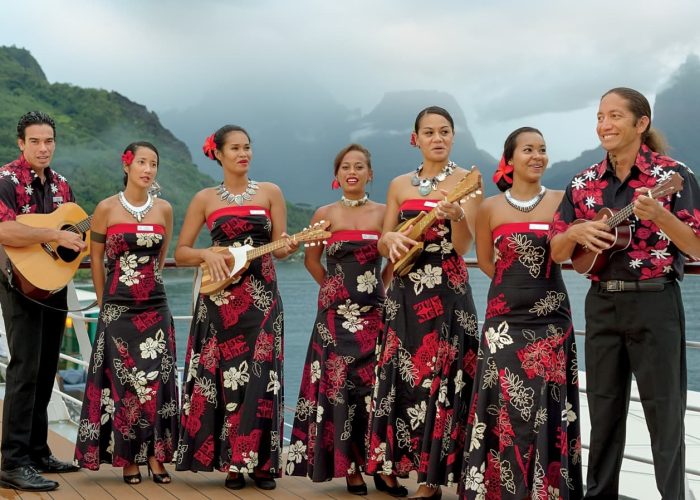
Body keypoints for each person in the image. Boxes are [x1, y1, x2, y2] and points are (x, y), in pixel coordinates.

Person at [550, 87, 700, 499]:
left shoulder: (674, 175)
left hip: (655, 301)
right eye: (600, 116)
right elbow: (559, 249)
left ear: (642, 123)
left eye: (615, 116)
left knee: (665, 415)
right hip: (601, 305)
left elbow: (697, 247)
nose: (604, 125)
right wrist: (576, 231)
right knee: (604, 414)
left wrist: (662, 217)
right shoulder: (581, 184)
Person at [366, 106, 482, 499]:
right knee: (400, 375)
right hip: (404, 289)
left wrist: (456, 217)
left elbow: (466, 245)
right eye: (429, 132)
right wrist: (390, 241)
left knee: (446, 377)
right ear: (415, 138)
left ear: (453, 137)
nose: (438, 138)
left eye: (445, 131)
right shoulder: (399, 184)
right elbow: (384, 240)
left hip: (448, 288)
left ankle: (431, 476)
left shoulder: (469, 181)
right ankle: (389, 465)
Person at [461, 127, 583, 499]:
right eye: (528, 149)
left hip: (552, 320)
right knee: (501, 404)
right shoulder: (489, 208)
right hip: (504, 323)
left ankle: (546, 492)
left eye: (542, 149)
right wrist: (515, 289)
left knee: (549, 405)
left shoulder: (564, 200)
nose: (537, 156)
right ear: (510, 159)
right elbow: (485, 262)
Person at [175, 125, 297, 491]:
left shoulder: (271, 192)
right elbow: (181, 254)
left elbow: (277, 247)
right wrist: (205, 253)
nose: (244, 153)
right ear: (219, 154)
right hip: (219, 299)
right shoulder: (204, 199)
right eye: (235, 148)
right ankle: (232, 462)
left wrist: (290, 247)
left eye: (248, 147)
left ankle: (261, 464)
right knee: (225, 378)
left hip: (262, 300)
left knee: (263, 380)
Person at [73, 142, 178, 484]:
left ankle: (155, 455)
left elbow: (161, 259)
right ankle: (128, 456)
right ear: (128, 165)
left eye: (154, 164)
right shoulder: (105, 208)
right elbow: (99, 264)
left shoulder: (164, 209)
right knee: (126, 383)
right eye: (142, 162)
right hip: (118, 308)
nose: (148, 169)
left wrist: (147, 284)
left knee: (157, 381)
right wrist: (105, 304)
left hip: (156, 305)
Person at [287, 144, 389, 494]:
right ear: (337, 175)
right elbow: (311, 261)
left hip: (375, 315)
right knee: (341, 390)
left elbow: (392, 261)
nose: (353, 171)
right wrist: (335, 290)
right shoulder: (324, 213)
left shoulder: (384, 214)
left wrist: (377, 289)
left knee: (376, 390)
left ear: (370, 174)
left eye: (360, 166)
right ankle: (351, 469)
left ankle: (382, 465)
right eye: (346, 166)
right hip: (334, 320)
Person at [0, 111, 83, 492]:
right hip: (18, 284)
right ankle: (12, 461)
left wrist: (76, 243)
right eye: (35, 141)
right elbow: (5, 229)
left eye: (48, 140)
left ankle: (37, 449)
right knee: (24, 370)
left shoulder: (63, 185)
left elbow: (74, 236)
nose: (43, 147)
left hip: (53, 286)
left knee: (47, 365)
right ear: (21, 143)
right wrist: (53, 233)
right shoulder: (6, 180)